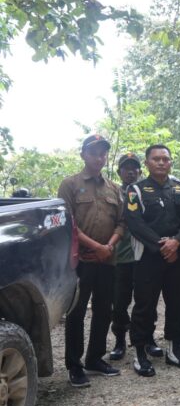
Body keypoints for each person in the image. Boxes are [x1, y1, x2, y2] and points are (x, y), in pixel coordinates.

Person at [125, 144, 180, 377]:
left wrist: (177, 242)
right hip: (149, 257)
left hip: (178, 256)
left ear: (170, 162)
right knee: (144, 305)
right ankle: (140, 352)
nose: (161, 162)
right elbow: (134, 222)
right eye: (156, 159)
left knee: (177, 303)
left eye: (165, 159)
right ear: (147, 163)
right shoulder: (136, 190)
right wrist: (161, 245)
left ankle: (174, 349)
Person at [58, 134, 124, 387]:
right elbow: (68, 223)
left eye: (103, 153)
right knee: (76, 312)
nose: (99, 157)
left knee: (104, 310)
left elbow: (122, 223)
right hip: (81, 260)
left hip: (107, 260)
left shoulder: (114, 188)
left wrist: (109, 247)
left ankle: (95, 358)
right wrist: (97, 247)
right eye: (94, 152)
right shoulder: (70, 184)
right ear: (83, 155)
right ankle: (74, 366)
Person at [109, 152, 143, 361]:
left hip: (142, 257)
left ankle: (145, 338)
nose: (130, 172)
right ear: (119, 171)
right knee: (119, 303)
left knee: (145, 301)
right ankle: (120, 340)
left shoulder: (145, 191)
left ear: (140, 171)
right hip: (120, 257)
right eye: (126, 168)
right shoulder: (113, 193)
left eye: (134, 168)